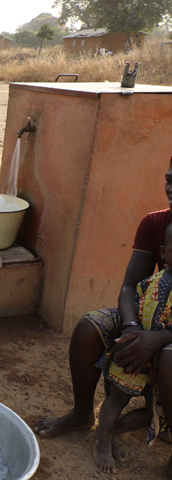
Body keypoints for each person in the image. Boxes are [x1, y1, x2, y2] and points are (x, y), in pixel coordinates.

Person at [35, 158, 172, 478]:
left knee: (168, 360)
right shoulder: (156, 224)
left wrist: (160, 339)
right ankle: (82, 414)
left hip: (166, 337)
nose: (171, 188)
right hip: (148, 321)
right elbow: (130, 287)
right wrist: (133, 329)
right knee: (89, 327)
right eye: (169, 179)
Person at [92, 223, 172, 474]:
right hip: (135, 355)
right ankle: (102, 443)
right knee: (116, 400)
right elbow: (132, 313)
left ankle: (112, 432)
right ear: (164, 252)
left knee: (151, 412)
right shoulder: (150, 284)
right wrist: (132, 338)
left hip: (161, 362)